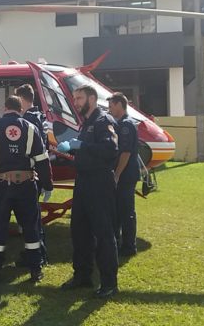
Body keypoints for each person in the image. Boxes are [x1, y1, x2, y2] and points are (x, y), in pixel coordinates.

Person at [0, 96, 53, 283]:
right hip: (26, 185)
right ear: (20, 109)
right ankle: (35, 269)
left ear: (5, 108)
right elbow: (42, 161)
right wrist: (48, 185)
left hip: (1, 185)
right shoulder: (31, 128)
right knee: (31, 228)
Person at [57, 84, 119, 298]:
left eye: (79, 98)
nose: (75, 102)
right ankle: (82, 276)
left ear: (92, 99)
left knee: (103, 233)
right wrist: (73, 149)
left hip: (99, 181)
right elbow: (88, 151)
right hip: (83, 181)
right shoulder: (86, 124)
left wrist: (82, 146)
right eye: (74, 98)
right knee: (79, 230)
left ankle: (109, 283)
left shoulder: (103, 121)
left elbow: (110, 149)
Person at [13, 83, 49, 267]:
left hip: (29, 174)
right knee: (31, 217)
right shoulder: (38, 116)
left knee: (29, 219)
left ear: (22, 99)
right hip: (36, 172)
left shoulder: (28, 119)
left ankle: (37, 254)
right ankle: (35, 252)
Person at [108, 92, 140, 257]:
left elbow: (125, 153)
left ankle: (129, 246)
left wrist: (117, 174)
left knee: (126, 210)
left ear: (120, 104)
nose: (109, 108)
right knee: (118, 210)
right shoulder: (119, 123)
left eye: (111, 105)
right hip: (122, 173)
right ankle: (119, 242)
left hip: (126, 175)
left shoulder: (126, 125)